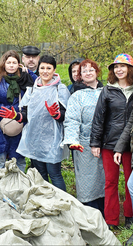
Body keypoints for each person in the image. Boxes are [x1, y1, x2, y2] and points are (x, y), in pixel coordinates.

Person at [1, 55, 70, 191]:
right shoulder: (32, 89)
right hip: (35, 140)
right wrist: (16, 116)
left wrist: (56, 114)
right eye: (42, 68)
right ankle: (45, 201)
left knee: (55, 174)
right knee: (40, 174)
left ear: (54, 70)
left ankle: (62, 203)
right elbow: (26, 115)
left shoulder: (60, 90)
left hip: (52, 141)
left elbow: (66, 115)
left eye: (48, 68)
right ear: (38, 69)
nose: (45, 71)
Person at [91, 53, 133, 229]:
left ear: (130, 69)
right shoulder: (107, 90)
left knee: (130, 182)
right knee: (110, 182)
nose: (119, 69)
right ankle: (111, 220)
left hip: (130, 145)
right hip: (109, 143)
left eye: (123, 66)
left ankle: (130, 217)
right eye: (116, 67)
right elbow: (99, 117)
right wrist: (95, 142)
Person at [63, 59, 105, 214]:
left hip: (105, 143)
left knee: (105, 177)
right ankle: (90, 213)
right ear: (79, 75)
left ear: (97, 72)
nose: (88, 73)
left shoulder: (107, 92)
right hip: (84, 144)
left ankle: (106, 212)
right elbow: (72, 120)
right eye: (84, 71)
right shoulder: (77, 96)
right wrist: (72, 140)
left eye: (91, 70)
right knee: (87, 179)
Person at [0, 50, 34, 172]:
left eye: (14, 62)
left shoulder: (23, 79)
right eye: (9, 62)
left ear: (19, 64)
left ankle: (18, 188)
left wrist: (28, 72)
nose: (11, 65)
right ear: (4, 64)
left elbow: (39, 83)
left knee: (19, 161)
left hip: (19, 125)